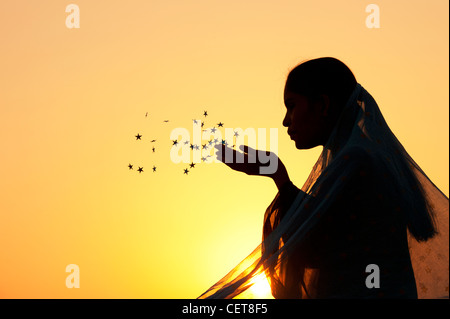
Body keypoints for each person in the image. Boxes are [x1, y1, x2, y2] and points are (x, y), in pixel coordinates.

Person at [199, 57, 449, 299]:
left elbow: (313, 247)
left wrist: (279, 176)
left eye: (292, 105)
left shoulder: (357, 162)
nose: (286, 121)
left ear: (322, 105)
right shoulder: (362, 158)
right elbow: (332, 231)